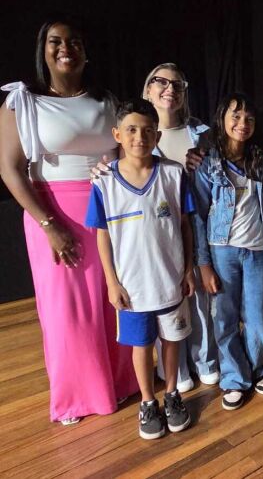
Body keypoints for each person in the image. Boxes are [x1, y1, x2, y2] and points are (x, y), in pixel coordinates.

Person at [0, 17, 137, 425]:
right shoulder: (21, 102)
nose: (65, 48)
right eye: (55, 42)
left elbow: (121, 154)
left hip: (107, 209)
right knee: (67, 311)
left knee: (113, 301)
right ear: (43, 51)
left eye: (74, 41)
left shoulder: (105, 100)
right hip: (53, 213)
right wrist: (48, 224)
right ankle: (76, 397)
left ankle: (121, 382)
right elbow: (9, 169)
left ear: (86, 50)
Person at [86, 99, 194, 439]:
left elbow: (186, 225)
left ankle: (173, 393)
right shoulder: (104, 182)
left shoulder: (174, 174)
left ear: (157, 134)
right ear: (117, 134)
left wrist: (188, 268)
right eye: (131, 130)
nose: (139, 137)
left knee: (172, 340)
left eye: (148, 130)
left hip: (171, 278)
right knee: (141, 345)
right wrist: (111, 281)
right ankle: (148, 402)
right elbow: (102, 236)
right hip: (132, 286)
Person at [192, 93, 263, 411]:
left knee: (256, 317)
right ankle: (233, 378)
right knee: (224, 319)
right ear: (222, 120)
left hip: (257, 251)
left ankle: (257, 369)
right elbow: (198, 216)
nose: (242, 123)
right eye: (236, 116)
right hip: (222, 251)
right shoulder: (208, 164)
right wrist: (203, 263)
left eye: (249, 118)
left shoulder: (260, 160)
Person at [142, 63, 219, 392]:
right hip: (157, 235)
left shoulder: (202, 133)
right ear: (147, 91)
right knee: (167, 301)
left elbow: (221, 181)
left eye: (177, 83)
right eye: (160, 81)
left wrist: (205, 164)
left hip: (196, 230)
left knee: (200, 301)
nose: (169, 88)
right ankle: (177, 365)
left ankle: (206, 359)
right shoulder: (137, 133)